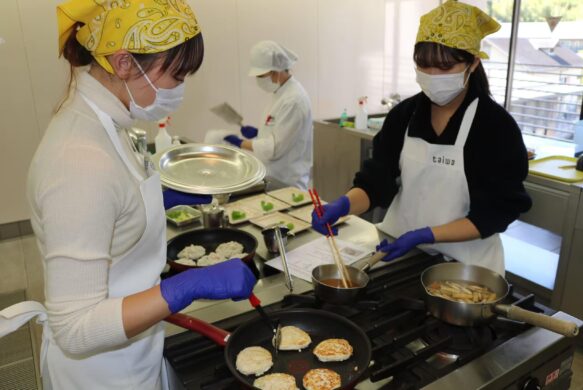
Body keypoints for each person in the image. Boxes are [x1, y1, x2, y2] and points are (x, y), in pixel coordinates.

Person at [0, 1, 256, 389]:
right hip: (102, 374)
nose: (180, 88)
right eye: (177, 73)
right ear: (123, 64)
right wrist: (185, 287)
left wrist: (157, 201)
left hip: (134, 351)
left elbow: (112, 206)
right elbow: (75, 327)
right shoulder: (78, 160)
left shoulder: (106, 123)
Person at [312, 0, 532, 276]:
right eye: (424, 66)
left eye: (444, 67)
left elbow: (496, 210)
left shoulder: (495, 127)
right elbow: (376, 183)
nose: (432, 76)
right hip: (402, 255)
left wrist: (427, 234)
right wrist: (343, 205)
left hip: (464, 269)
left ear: (473, 63)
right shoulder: (404, 114)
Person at [223, 40, 313, 190]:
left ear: (276, 71)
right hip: (275, 179)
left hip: (288, 184)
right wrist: (260, 133)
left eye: (261, 75)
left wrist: (239, 143)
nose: (259, 80)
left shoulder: (294, 100)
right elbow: (282, 134)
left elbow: (274, 149)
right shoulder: (280, 94)